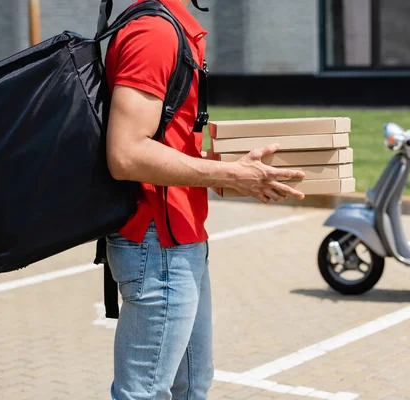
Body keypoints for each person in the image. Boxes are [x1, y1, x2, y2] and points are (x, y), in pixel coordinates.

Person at [104, 0, 306, 398]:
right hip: (156, 244)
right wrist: (231, 174)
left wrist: (222, 166)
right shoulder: (154, 33)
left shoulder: (172, 27)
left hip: (180, 238)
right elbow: (126, 154)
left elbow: (165, 139)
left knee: (193, 387)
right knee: (144, 392)